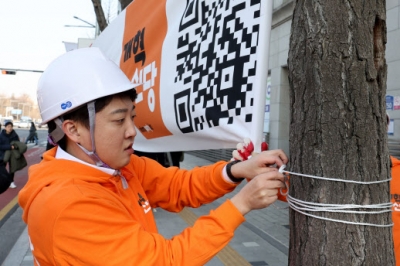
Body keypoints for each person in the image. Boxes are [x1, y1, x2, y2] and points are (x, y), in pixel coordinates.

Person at [18, 47, 288, 265]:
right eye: (119, 120)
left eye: (132, 118)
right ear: (73, 130)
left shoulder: (116, 167)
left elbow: (177, 186)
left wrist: (235, 170)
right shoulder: (68, 206)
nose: (132, 131)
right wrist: (242, 204)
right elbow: (166, 260)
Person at [0, 121, 20, 188]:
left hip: (12, 154)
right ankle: (3, 180)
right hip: (3, 154)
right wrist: (9, 147)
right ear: (5, 127)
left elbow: (18, 143)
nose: (10, 128)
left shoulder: (14, 134)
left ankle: (11, 182)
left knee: (12, 169)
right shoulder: (1, 135)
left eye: (11, 126)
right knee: (2, 168)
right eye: (8, 127)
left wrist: (15, 146)